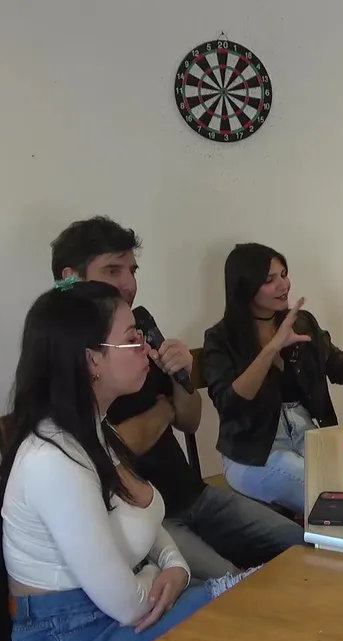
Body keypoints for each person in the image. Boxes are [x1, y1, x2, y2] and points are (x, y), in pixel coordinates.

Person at [0, 280, 292, 641]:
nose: (147, 348)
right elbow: (129, 605)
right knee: (267, 632)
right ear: (91, 361)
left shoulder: (93, 430)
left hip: (115, 616)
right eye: (132, 338)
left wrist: (175, 567)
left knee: (273, 605)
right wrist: (164, 573)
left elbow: (150, 522)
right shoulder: (52, 459)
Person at [51, 217, 303, 579]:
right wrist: (164, 408)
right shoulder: (63, 357)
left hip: (194, 495)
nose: (128, 284)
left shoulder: (140, 333)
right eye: (112, 270)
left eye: (132, 270)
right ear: (71, 278)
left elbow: (190, 420)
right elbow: (112, 448)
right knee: (231, 585)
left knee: (300, 542)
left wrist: (181, 376)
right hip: (147, 520)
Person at [203, 243, 343, 515]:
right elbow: (230, 404)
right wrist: (272, 348)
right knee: (331, 493)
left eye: (284, 274)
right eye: (269, 280)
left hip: (308, 436)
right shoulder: (221, 338)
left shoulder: (301, 323)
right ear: (245, 287)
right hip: (253, 453)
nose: (283, 285)